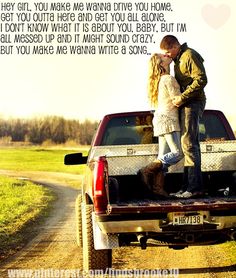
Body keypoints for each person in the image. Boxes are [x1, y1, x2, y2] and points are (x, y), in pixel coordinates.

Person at [160, 35, 207, 198]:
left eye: (167, 52)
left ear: (174, 46)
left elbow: (201, 79)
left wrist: (182, 98)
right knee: (186, 143)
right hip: (186, 103)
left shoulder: (189, 55)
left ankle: (194, 189)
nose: (167, 55)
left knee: (189, 143)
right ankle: (187, 187)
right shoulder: (178, 59)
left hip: (193, 103)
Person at [138, 53, 183, 198]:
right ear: (161, 64)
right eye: (163, 56)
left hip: (159, 120)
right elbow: (177, 100)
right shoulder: (168, 79)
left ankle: (158, 188)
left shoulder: (157, 81)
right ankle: (147, 170)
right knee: (177, 154)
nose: (166, 55)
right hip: (169, 120)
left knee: (163, 156)